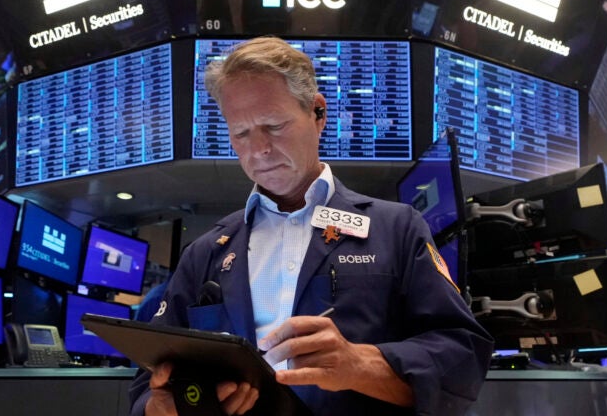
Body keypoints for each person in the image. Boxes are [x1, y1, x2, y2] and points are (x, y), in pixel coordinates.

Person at [129, 36, 493, 416]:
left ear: (318, 113)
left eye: (274, 125)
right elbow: (145, 384)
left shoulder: (396, 228)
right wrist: (158, 408)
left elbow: (462, 353)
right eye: (240, 133)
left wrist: (360, 365)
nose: (258, 150)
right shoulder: (206, 252)